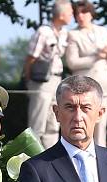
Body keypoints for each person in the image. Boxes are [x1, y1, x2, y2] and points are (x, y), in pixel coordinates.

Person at [65, 0, 107, 147]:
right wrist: (95, 56)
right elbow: (72, 63)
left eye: (84, 12)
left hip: (105, 86)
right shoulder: (73, 34)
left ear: (91, 13)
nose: (80, 16)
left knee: (101, 126)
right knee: (84, 125)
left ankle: (101, 159)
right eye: (77, 13)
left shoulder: (103, 31)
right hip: (84, 88)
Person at [23, 0, 72, 149]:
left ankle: (50, 157)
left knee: (53, 122)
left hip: (57, 80)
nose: (72, 15)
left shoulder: (64, 32)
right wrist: (28, 79)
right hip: (41, 81)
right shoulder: (43, 32)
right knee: (37, 122)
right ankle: (33, 158)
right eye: (70, 12)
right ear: (62, 14)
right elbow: (31, 57)